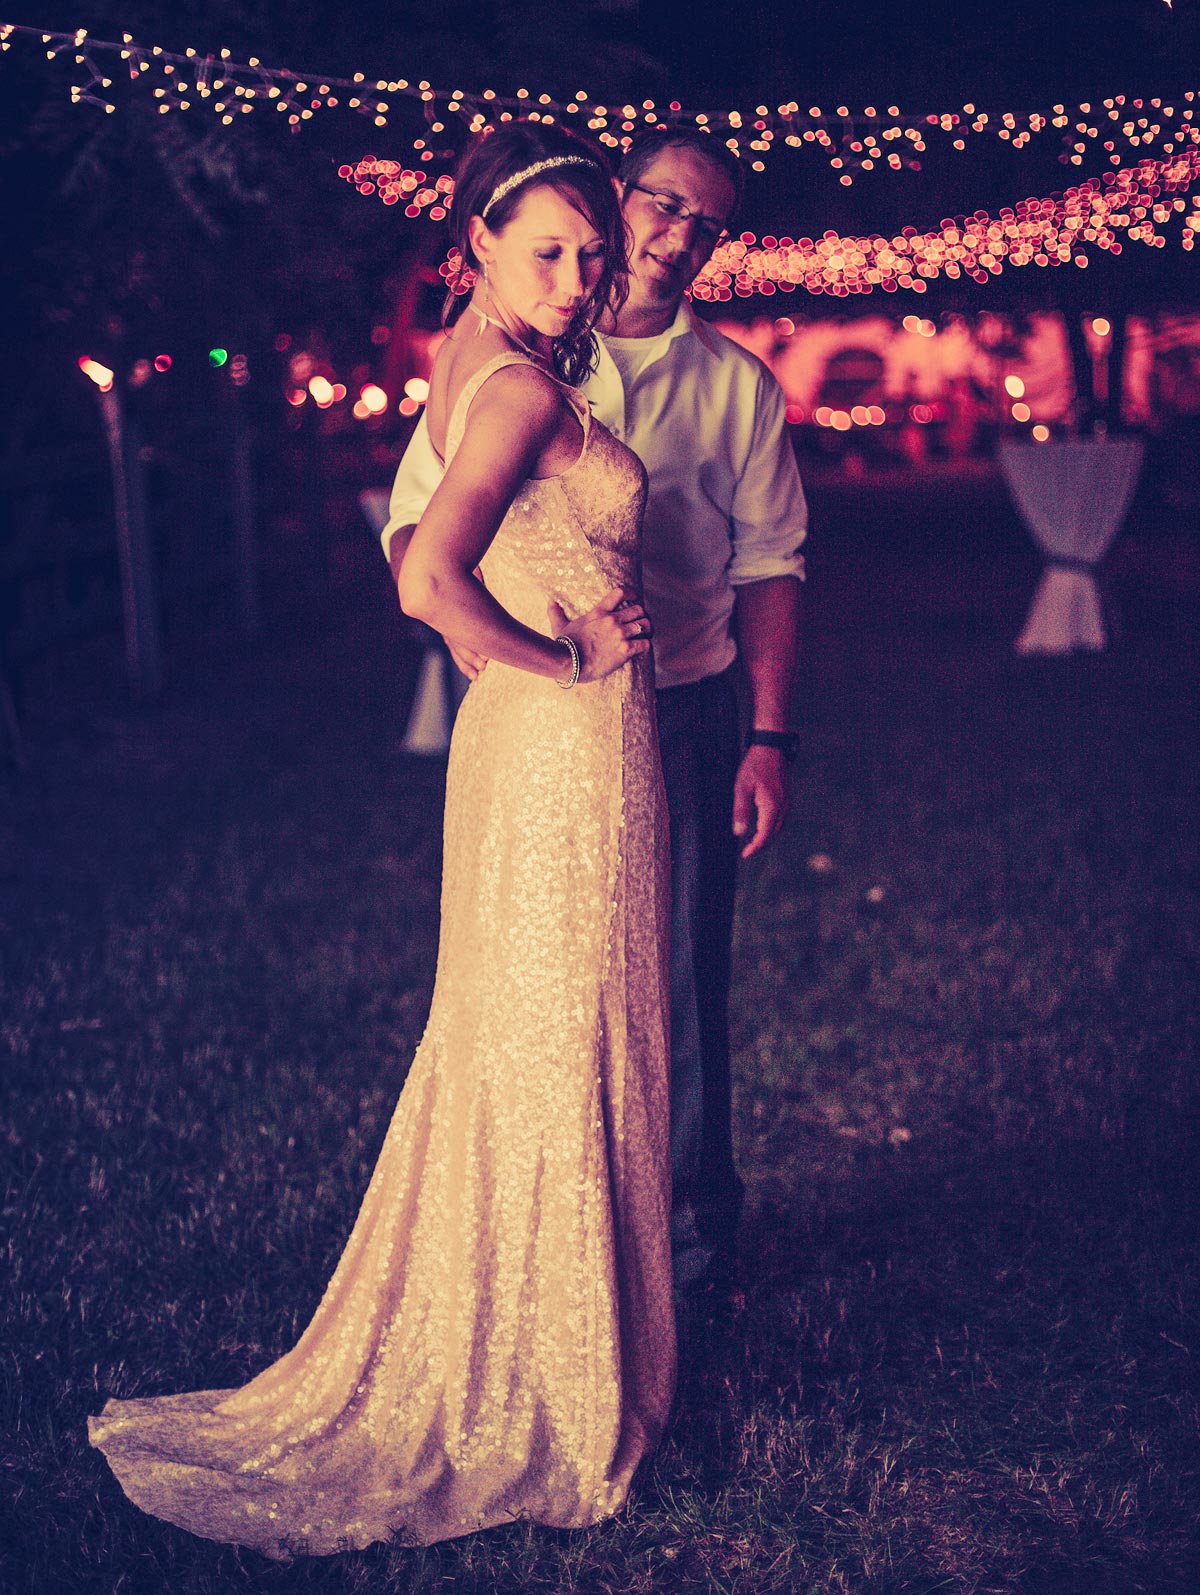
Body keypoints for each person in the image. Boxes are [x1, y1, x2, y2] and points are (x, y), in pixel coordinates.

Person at [89, 121, 676, 1556]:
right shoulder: (518, 394)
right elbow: (427, 573)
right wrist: (559, 659)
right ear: (473, 240)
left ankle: (546, 1348)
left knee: (536, 1029)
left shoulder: (481, 363)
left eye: (594, 253)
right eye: (546, 249)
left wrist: (538, 650)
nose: (578, 276)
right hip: (563, 746)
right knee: (565, 1030)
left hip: (536, 748)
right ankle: (553, 1389)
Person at [383, 127, 807, 1296]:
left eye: (705, 222)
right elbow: (417, 535)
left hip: (683, 710)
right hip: (552, 721)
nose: (676, 235)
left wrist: (766, 736)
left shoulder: (734, 387)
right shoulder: (522, 352)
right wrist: (507, 636)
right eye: (662, 203)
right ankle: (559, 1255)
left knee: (670, 981)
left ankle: (689, 1250)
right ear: (619, 200)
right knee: (545, 980)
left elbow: (773, 564)